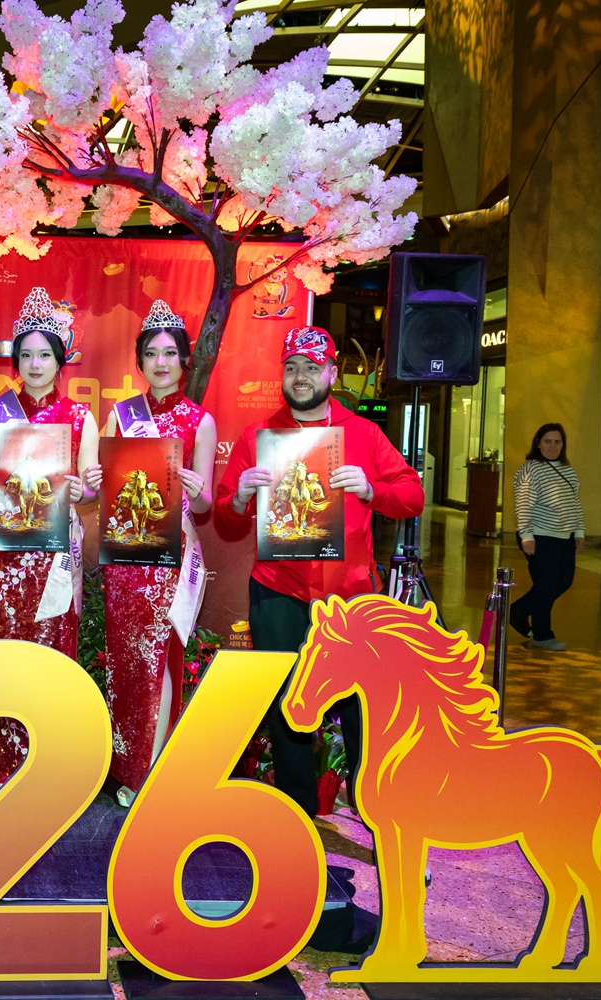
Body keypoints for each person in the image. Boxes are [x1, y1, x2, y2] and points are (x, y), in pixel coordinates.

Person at [214, 326, 424, 816]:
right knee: (287, 699)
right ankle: (297, 811)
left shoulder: (363, 434)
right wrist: (240, 496)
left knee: (360, 703)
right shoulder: (258, 437)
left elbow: (412, 496)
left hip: (349, 595)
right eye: (291, 368)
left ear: (330, 373)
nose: (300, 377)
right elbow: (225, 518)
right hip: (279, 590)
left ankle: (373, 805)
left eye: (311, 367)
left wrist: (371, 489)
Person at [0, 287, 101, 786]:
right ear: (16, 362)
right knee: (7, 647)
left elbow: (90, 489)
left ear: (60, 361)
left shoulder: (80, 417)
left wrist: (86, 489)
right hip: (7, 556)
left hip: (54, 557)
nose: (35, 364)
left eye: (45, 355)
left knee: (53, 645)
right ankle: (4, 758)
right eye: (26, 355)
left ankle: (50, 757)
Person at [100, 301, 217, 807]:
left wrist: (195, 488)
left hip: (173, 554)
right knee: (126, 659)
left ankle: (152, 768)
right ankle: (124, 764)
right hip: (127, 554)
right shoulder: (121, 415)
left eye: (170, 353)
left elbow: (207, 501)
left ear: (184, 359)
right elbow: (103, 486)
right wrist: (94, 480)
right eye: (151, 354)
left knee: (162, 656)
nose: (161, 363)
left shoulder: (200, 421)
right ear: (140, 362)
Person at [509, 423, 584, 651]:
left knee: (563, 581)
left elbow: (574, 503)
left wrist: (579, 531)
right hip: (540, 536)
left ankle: (518, 611)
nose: (553, 446)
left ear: (563, 444)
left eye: (557, 441)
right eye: (548, 441)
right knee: (545, 586)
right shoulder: (530, 469)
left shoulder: (567, 470)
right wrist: (527, 536)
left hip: (564, 537)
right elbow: (523, 505)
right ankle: (542, 636)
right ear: (538, 444)